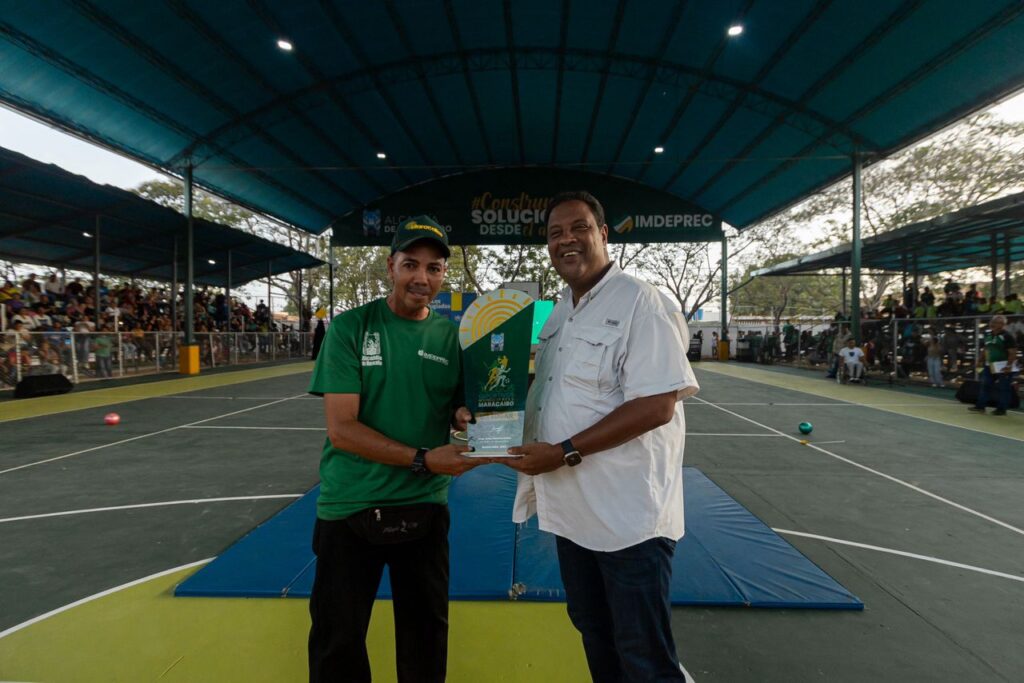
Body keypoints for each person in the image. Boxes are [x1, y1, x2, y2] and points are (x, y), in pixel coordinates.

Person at [503, 191, 699, 682]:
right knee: (595, 633)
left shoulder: (642, 303)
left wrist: (563, 451)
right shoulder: (559, 313)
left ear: (604, 234)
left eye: (579, 228)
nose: (566, 240)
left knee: (644, 655)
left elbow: (656, 405)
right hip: (574, 514)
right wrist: (487, 413)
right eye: (555, 233)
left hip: (628, 520)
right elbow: (550, 391)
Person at [306, 215, 490, 683]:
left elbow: (457, 409)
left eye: (434, 268)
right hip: (351, 506)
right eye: (411, 264)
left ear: (443, 275)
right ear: (391, 266)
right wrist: (424, 459)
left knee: (424, 642)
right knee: (338, 643)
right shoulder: (350, 328)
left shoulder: (451, 338)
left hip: (423, 507)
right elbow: (342, 430)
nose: (422, 277)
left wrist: (464, 417)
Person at [969, 315, 1018, 416]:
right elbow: (986, 348)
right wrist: (980, 360)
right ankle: (980, 406)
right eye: (992, 322)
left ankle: (1001, 409)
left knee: (1004, 388)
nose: (993, 324)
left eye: (997, 322)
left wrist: (1008, 366)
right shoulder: (987, 334)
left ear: (1003, 325)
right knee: (985, 386)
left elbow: (1012, 352)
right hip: (990, 365)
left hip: (1003, 366)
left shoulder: (1007, 336)